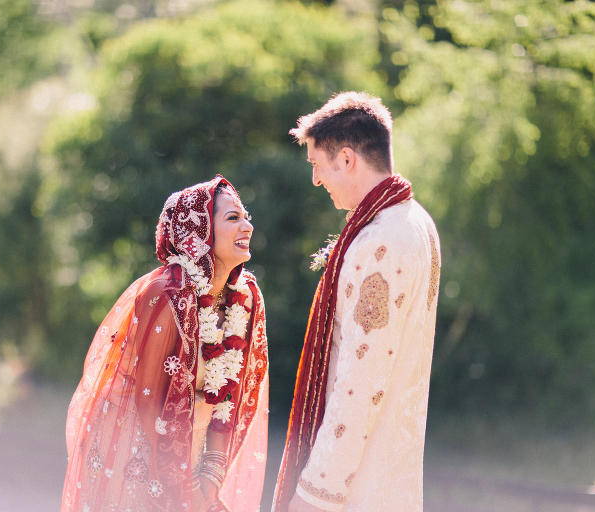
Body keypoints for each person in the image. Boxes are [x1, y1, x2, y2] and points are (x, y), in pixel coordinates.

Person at [273, 92, 441, 512]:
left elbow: (360, 380)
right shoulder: (417, 222)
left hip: (354, 489)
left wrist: (315, 494)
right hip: (393, 479)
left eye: (316, 164)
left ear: (346, 159)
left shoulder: (379, 241)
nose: (315, 179)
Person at [62, 176, 269, 512]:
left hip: (192, 452)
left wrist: (211, 477)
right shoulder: (168, 294)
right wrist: (187, 490)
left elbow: (236, 395)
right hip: (135, 450)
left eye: (246, 216)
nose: (247, 225)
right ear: (199, 231)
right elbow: (151, 406)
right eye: (233, 218)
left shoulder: (244, 297)